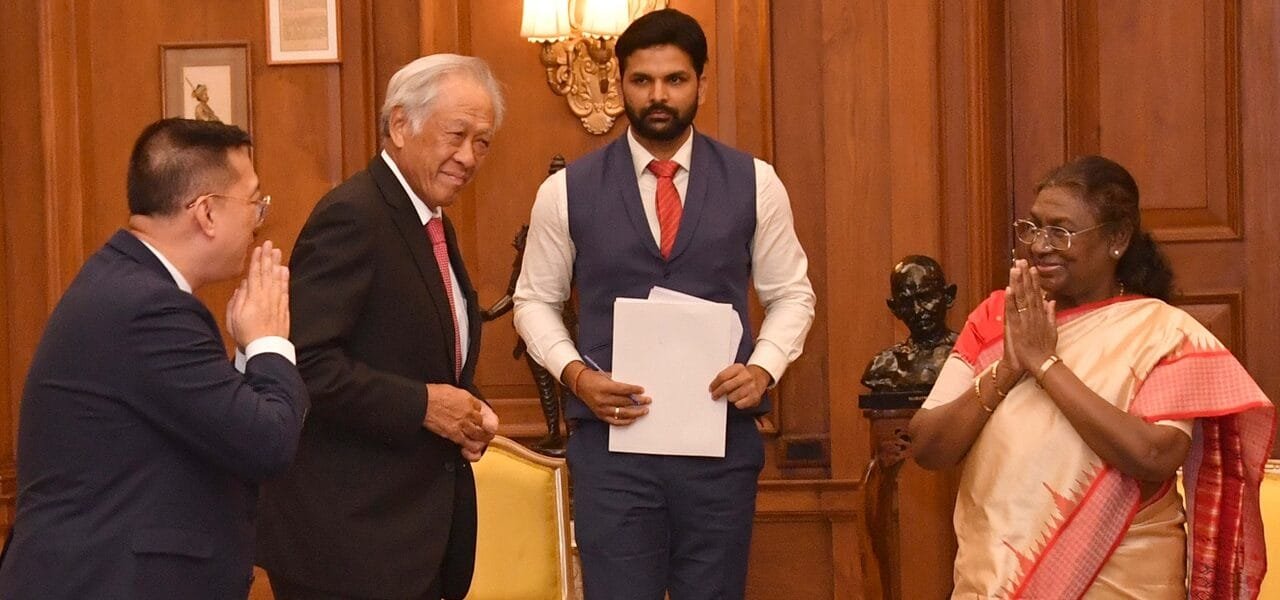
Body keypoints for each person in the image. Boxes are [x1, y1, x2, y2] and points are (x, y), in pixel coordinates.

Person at [513, 9, 816, 599]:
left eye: (675, 80)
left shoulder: (757, 182)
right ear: (620, 82)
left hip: (720, 448)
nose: (658, 95)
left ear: (702, 83)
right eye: (642, 80)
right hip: (611, 450)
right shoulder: (565, 190)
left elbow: (792, 295)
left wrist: (764, 368)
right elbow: (534, 301)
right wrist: (575, 375)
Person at [908, 155, 1275, 598]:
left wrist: (1045, 366)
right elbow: (928, 446)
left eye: (1060, 231)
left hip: (1125, 582)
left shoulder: (1161, 333)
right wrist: (1008, 368)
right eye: (1033, 227)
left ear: (1117, 239)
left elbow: (1155, 455)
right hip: (993, 581)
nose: (1041, 245)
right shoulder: (997, 318)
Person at [0, 118, 307, 599]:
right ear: (206, 213)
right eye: (255, 203)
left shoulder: (129, 285)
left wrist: (249, 351)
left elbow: (219, 431)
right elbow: (268, 443)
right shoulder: (148, 307)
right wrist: (269, 342)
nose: (259, 219)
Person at [255, 54, 502, 600]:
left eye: (482, 142)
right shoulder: (355, 215)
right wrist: (426, 406)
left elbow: (417, 353)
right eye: (456, 134)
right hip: (348, 545)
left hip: (408, 539)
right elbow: (303, 364)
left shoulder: (430, 219)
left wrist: (469, 409)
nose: (468, 156)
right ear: (399, 125)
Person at [861, 255, 958, 392]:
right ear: (895, 308)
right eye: (906, 303)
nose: (917, 310)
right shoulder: (883, 367)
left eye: (925, 297)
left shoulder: (971, 357)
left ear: (948, 297)